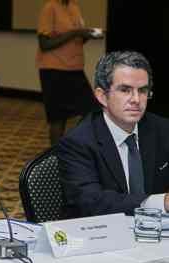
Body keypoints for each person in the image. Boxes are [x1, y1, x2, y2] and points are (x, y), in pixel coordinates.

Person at [58, 51, 169, 218]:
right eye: (125, 90)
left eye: (143, 91)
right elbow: (91, 202)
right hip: (99, 235)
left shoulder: (162, 129)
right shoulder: (78, 142)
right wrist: (160, 203)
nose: (136, 100)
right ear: (102, 96)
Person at [36, 0, 101, 145]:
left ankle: (74, 148)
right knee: (58, 118)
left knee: (92, 112)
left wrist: (86, 35)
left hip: (75, 69)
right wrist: (76, 32)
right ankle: (56, 157)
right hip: (54, 70)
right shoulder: (50, 8)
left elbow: (75, 39)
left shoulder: (74, 7)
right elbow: (45, 44)